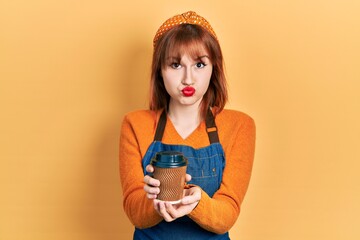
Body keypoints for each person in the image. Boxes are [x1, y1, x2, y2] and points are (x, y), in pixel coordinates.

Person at [119, 11, 256, 240]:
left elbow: (228, 213)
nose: (188, 79)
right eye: (175, 65)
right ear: (159, 71)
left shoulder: (239, 126)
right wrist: (153, 202)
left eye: (200, 64)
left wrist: (197, 202)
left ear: (214, 68)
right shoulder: (135, 124)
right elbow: (135, 212)